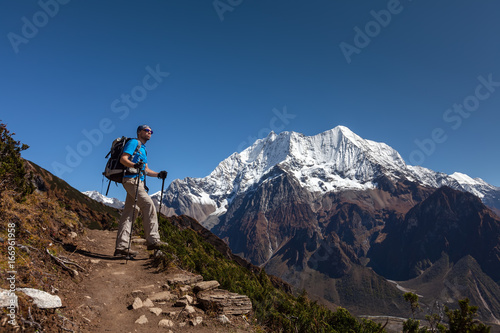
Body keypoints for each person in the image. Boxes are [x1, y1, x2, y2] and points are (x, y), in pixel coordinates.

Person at [114, 125, 168, 257]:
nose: (150, 133)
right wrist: (134, 165)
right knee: (148, 205)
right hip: (132, 180)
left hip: (139, 182)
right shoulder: (134, 143)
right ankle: (153, 240)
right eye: (147, 130)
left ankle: (121, 247)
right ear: (139, 132)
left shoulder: (143, 149)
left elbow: (146, 169)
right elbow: (123, 159)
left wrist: (158, 174)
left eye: (151, 131)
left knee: (130, 213)